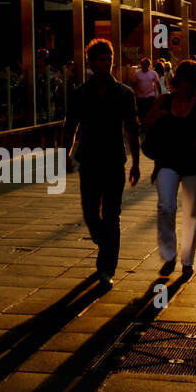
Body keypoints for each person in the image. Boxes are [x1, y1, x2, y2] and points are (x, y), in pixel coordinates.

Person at [63, 39, 141, 288]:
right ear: (91, 62)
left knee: (112, 215)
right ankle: (103, 240)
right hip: (89, 160)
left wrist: (136, 163)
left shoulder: (124, 94)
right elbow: (70, 127)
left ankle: (107, 268)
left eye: (109, 59)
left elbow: (131, 130)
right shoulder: (79, 94)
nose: (106, 63)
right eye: (101, 59)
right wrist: (64, 155)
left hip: (114, 160)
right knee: (89, 212)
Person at [142, 59, 196, 277]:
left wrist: (195, 144)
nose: (188, 86)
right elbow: (146, 121)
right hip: (167, 160)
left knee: (190, 213)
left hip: (195, 163)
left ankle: (187, 260)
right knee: (166, 206)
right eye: (185, 81)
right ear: (178, 81)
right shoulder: (164, 101)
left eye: (193, 82)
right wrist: (158, 117)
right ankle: (168, 255)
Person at [132, 56, 159, 122]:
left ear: (148, 65)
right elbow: (134, 84)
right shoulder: (137, 74)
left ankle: (148, 124)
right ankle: (142, 124)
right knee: (141, 112)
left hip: (150, 96)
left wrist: (159, 94)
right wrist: (135, 93)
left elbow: (157, 84)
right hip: (140, 97)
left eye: (144, 64)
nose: (143, 65)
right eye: (142, 64)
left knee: (149, 111)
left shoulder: (153, 73)